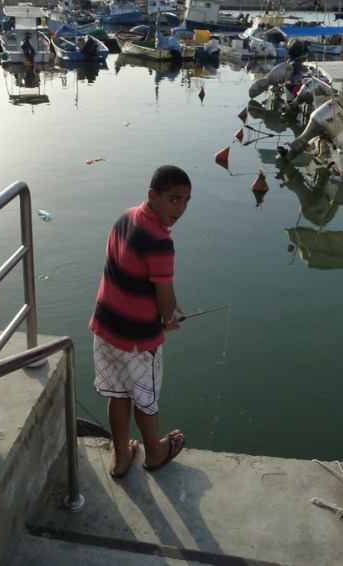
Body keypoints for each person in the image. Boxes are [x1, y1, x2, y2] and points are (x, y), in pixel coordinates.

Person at [89, 165, 191, 479]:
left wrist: (167, 307)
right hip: (137, 340)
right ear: (153, 195)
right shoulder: (160, 241)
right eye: (174, 200)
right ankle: (155, 453)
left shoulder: (126, 217)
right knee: (145, 399)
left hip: (106, 328)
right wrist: (168, 318)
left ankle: (121, 459)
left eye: (186, 201)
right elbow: (163, 300)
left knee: (117, 395)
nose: (181, 209)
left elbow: (131, 272)